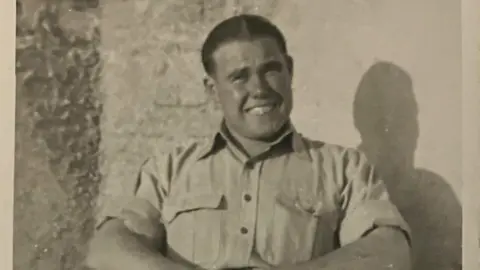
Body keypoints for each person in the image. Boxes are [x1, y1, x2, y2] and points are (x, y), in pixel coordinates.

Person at [86, 14, 412, 270]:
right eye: (239, 77)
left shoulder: (344, 168)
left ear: (290, 71)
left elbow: (391, 252)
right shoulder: (170, 169)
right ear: (212, 90)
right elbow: (107, 247)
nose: (259, 89)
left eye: (270, 70)